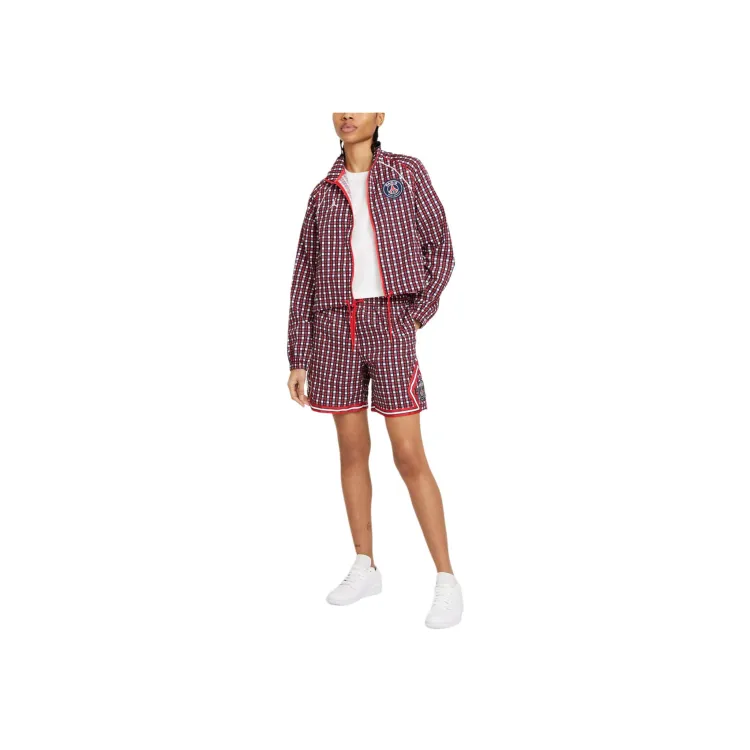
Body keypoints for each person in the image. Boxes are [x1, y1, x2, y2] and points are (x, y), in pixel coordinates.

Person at [286, 113, 462, 629]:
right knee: (352, 450)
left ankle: (447, 578)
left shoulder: (406, 172)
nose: (347, 114)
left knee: (409, 454)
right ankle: (365, 564)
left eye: (359, 104)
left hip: (391, 322)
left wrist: (416, 314)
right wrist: (298, 355)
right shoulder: (323, 193)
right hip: (333, 328)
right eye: (339, 104)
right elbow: (304, 275)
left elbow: (441, 248)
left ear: (380, 115)